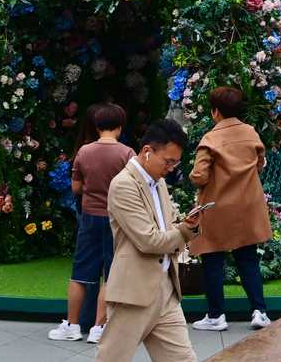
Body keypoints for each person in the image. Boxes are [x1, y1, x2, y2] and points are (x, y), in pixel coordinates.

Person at [94, 118, 200, 362]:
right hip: (134, 291)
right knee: (112, 359)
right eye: (168, 161)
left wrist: (188, 226)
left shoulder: (159, 182)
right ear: (147, 152)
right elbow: (149, 241)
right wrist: (184, 231)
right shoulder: (123, 185)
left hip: (166, 289)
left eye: (175, 162)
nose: (171, 168)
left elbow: (169, 227)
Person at [189, 86, 273, 332]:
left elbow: (200, 176)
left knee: (213, 259)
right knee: (248, 258)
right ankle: (260, 311)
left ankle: (216, 316)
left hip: (217, 206)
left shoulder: (211, 139)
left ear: (215, 112)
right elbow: (259, 163)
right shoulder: (251, 133)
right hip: (248, 204)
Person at [52, 102, 134, 343]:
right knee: (111, 274)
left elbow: (76, 187)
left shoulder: (84, 152)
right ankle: (99, 327)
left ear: (96, 126)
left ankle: (73, 325)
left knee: (81, 274)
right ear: (119, 127)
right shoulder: (127, 153)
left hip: (89, 217)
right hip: (116, 219)